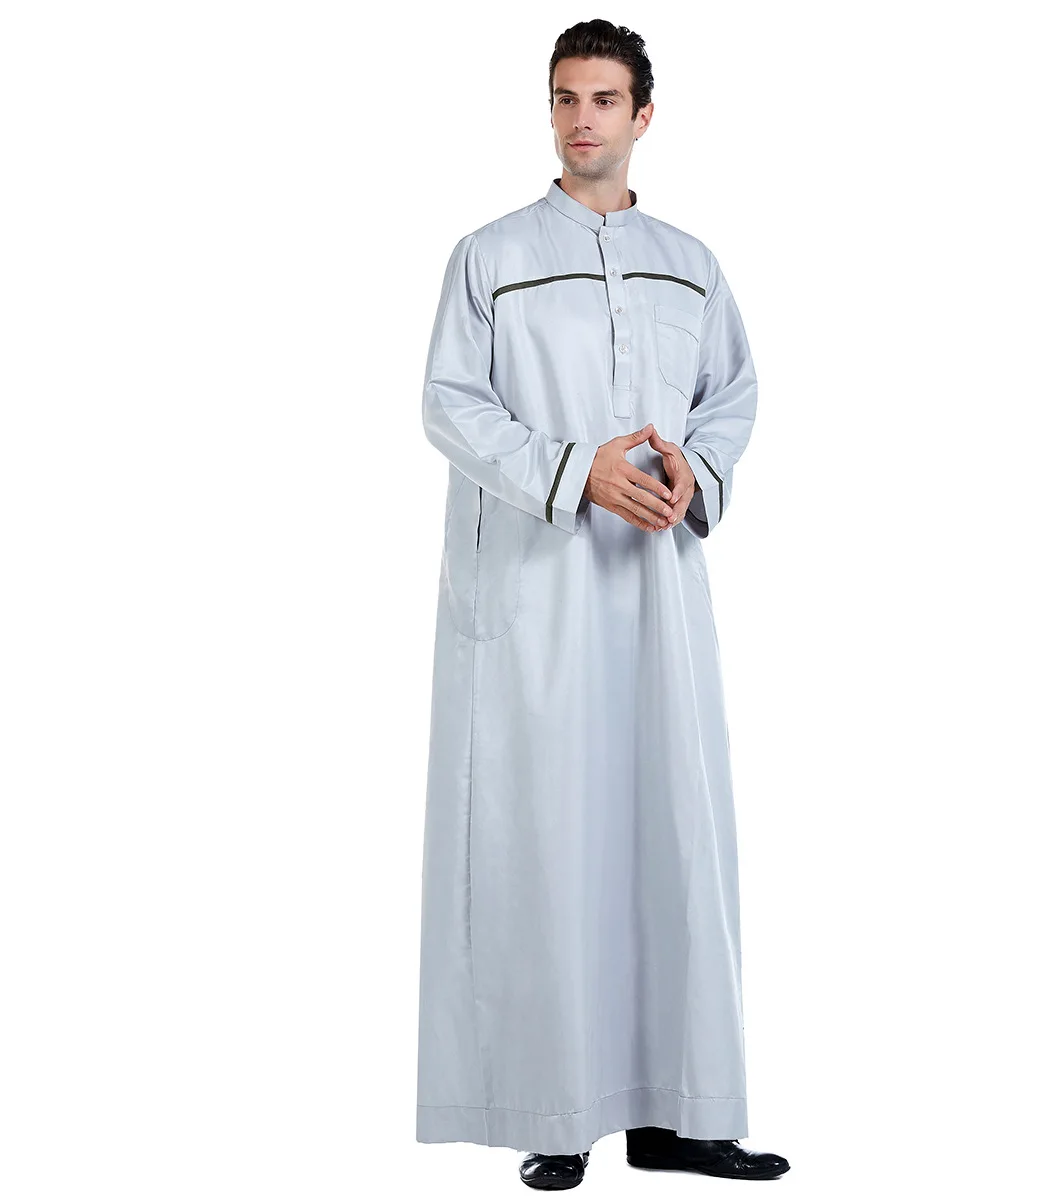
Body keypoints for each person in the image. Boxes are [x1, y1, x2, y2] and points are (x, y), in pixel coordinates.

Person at [415, 18, 789, 1189]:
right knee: (552, 844)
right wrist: (577, 470)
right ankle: (557, 1110)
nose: (582, 119)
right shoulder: (491, 255)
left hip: (659, 600)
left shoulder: (691, 264)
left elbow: (732, 392)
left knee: (675, 840)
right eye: (565, 98)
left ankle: (683, 1114)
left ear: (644, 115)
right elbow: (450, 404)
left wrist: (694, 470)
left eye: (604, 99)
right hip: (539, 602)